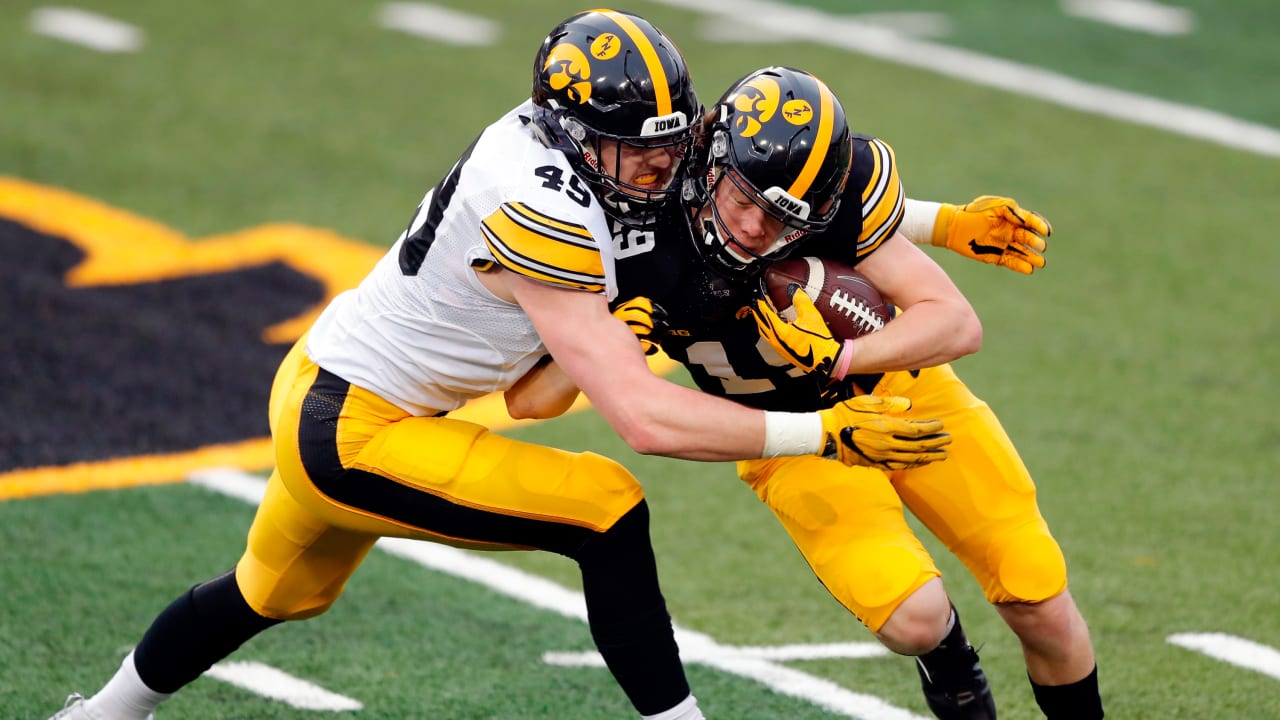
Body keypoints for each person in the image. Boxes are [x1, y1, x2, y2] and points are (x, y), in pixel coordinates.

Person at [47, 14, 954, 720]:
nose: (661, 165)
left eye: (671, 142)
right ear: (575, 138)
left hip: (343, 387)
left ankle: (106, 711)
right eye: (639, 150)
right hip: (353, 427)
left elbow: (755, 184)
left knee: (266, 593)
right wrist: (823, 433)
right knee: (606, 506)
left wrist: (933, 223)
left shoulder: (610, 153)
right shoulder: (534, 196)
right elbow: (642, 418)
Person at [509, 66, 1103, 719]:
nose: (754, 232)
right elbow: (530, 402)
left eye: (783, 220)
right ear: (709, 162)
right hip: (788, 436)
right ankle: (949, 658)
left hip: (904, 398)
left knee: (1034, 587)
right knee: (914, 619)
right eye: (743, 202)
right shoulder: (637, 219)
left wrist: (842, 357)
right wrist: (607, 344)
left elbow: (956, 322)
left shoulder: (831, 199)